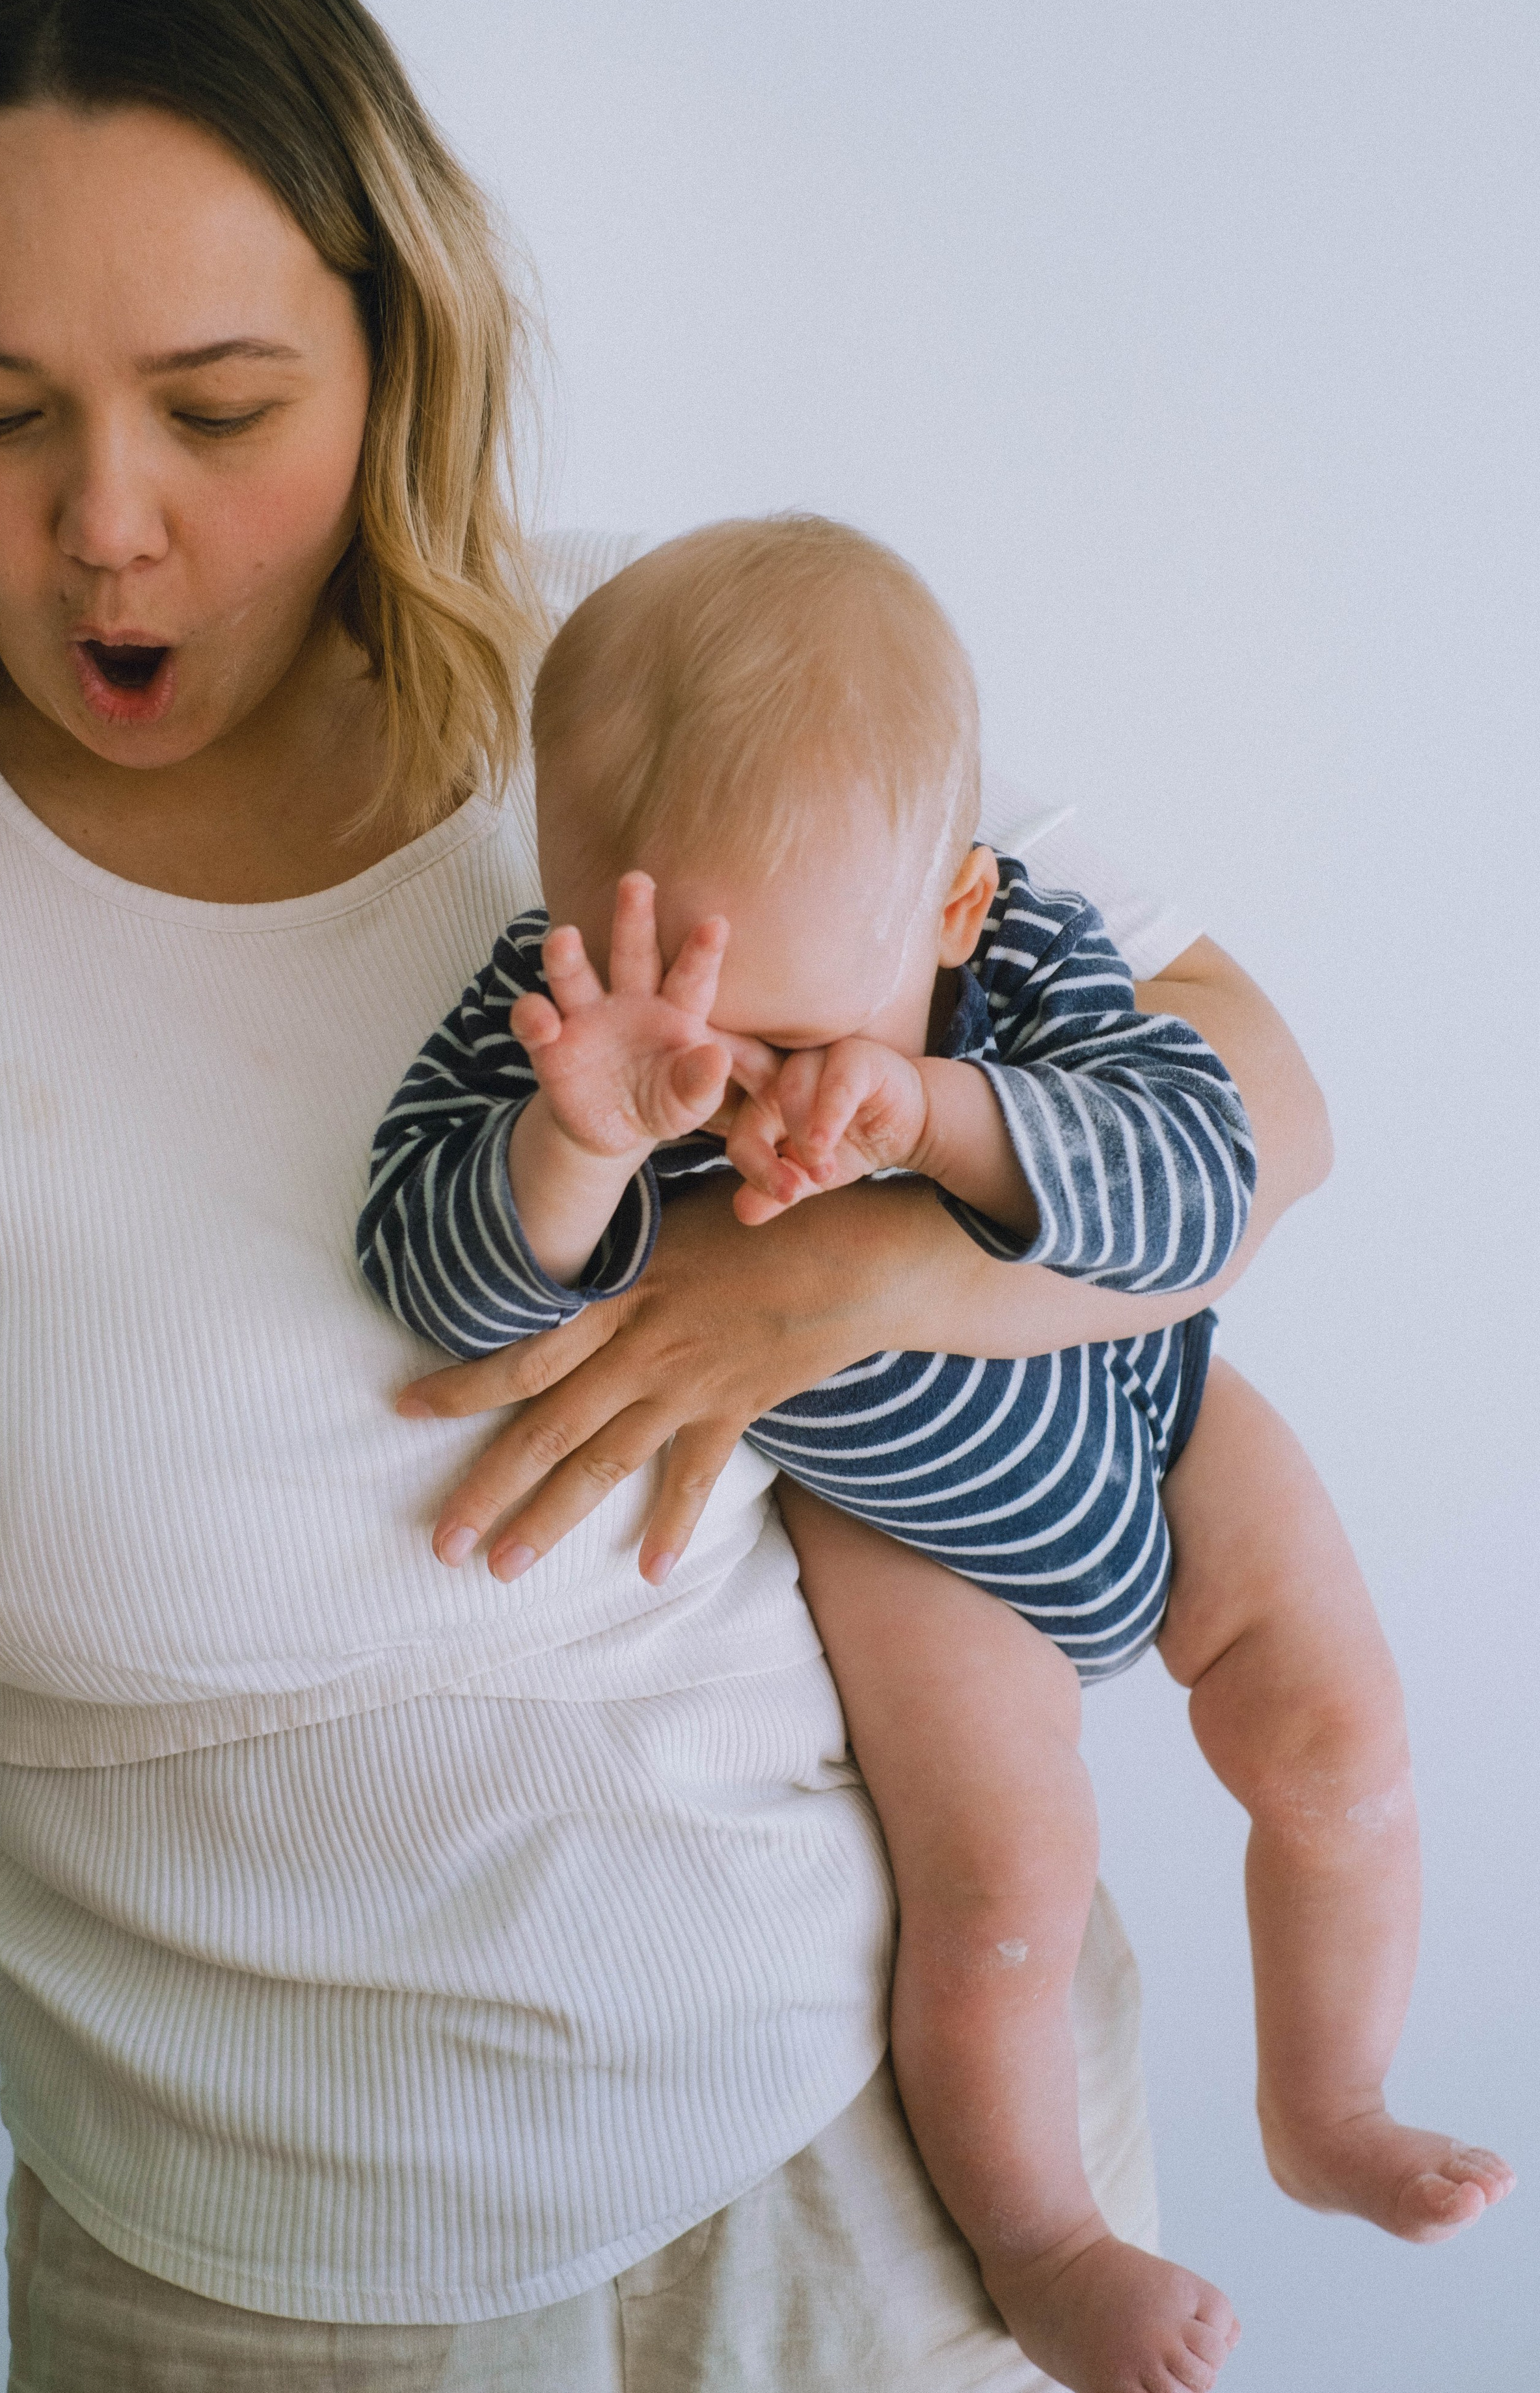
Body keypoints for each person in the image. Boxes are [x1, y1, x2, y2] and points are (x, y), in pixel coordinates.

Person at [0, 0, 1336, 2385]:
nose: (106, 523)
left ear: (390, 350)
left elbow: (1264, 1105)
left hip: (878, 2155)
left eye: (219, 408)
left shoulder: (629, 690)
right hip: (252, 2268)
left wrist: (852, 1275)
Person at [356, 517, 1512, 2393]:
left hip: (1161, 1405)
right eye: (698, 1049)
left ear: (955, 914)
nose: (738, 1106)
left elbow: (1200, 1181)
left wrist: (948, 1115)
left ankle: (1330, 2100)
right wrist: (576, 1138)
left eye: (803, 1038)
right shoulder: (566, 1020)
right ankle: (1046, 2239)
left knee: (1342, 1746)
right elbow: (433, 1276)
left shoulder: (1026, 957)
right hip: (910, 1528)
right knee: (1003, 1890)